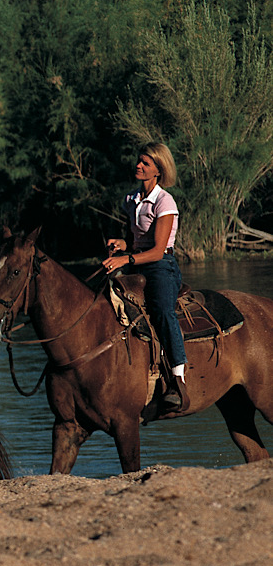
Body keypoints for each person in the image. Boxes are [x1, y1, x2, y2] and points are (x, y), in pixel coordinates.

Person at [102, 142, 186, 413]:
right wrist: (123, 244)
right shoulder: (131, 200)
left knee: (162, 311)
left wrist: (124, 259)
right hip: (138, 261)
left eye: (145, 163)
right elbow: (137, 238)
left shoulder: (165, 201)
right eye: (139, 161)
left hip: (161, 266)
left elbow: (158, 250)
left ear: (158, 170)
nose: (138, 165)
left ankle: (177, 378)